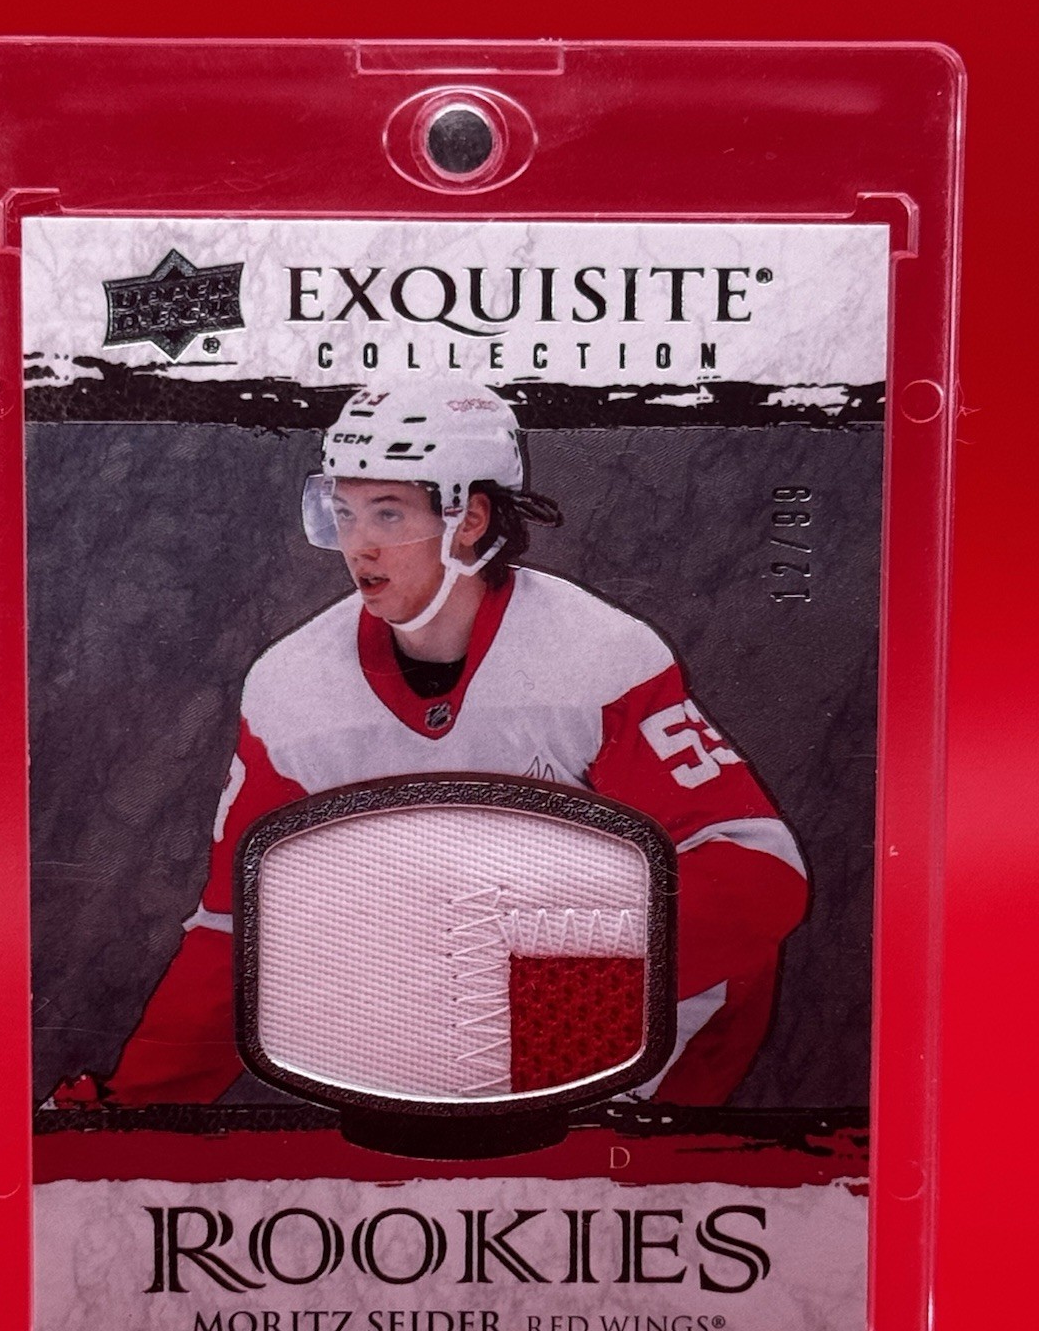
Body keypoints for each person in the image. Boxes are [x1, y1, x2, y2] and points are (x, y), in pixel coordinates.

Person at [52, 381, 808, 1110]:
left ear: (469, 518)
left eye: (388, 513)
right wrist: (138, 1105)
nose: (360, 546)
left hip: (646, 1015)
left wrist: (527, 982)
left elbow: (759, 872)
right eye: (343, 513)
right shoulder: (291, 690)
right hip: (445, 1016)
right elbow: (238, 928)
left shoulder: (595, 656)